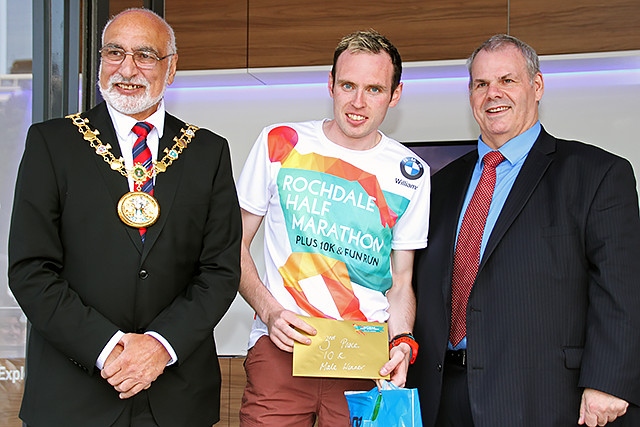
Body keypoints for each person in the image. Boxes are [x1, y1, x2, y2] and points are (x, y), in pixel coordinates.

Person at [8, 8, 241, 427]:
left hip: (176, 399)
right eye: (114, 52)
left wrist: (158, 346)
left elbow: (220, 271)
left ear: (171, 69)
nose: (127, 68)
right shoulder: (52, 143)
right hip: (73, 396)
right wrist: (108, 348)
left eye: (145, 55)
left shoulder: (208, 152)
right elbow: (31, 269)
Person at [408, 33, 640, 426]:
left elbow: (623, 286)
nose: (492, 93)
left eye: (507, 80)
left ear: (536, 86)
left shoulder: (596, 174)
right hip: (441, 397)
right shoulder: (438, 186)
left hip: (543, 397)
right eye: (480, 84)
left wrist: (609, 381)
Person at [236, 30, 430, 426]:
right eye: (348, 85)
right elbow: (230, 245)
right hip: (282, 349)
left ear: (395, 95)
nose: (358, 103)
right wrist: (268, 310)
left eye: (374, 89)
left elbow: (401, 280)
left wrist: (403, 340)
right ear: (331, 85)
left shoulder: (411, 173)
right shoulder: (280, 142)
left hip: (363, 359)